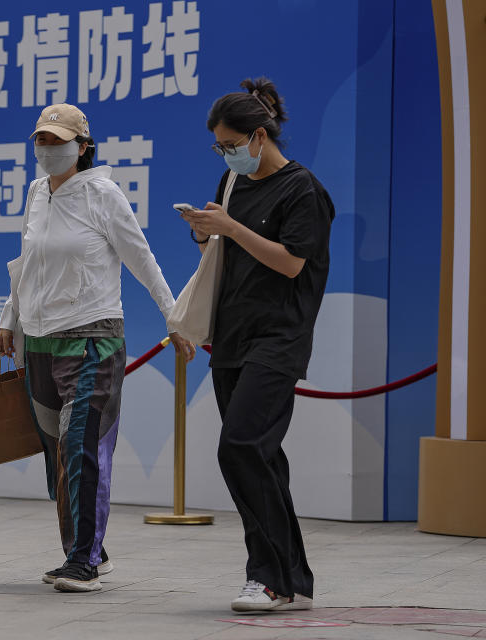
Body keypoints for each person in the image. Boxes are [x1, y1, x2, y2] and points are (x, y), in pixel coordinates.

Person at [0, 103, 195, 593]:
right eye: (40, 140)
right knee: (56, 454)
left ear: (83, 146)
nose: (47, 149)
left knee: (82, 445)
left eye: (58, 140)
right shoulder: (37, 192)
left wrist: (177, 319)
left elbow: (140, 257)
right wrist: (10, 318)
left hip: (92, 338)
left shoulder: (102, 193)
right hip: (39, 341)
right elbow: (29, 260)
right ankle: (88, 551)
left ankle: (82, 561)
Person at [179, 77, 334, 612]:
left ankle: (267, 577)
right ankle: (292, 581)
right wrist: (205, 229)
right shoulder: (231, 182)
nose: (225, 154)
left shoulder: (302, 189)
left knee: (240, 447)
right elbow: (226, 254)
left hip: (280, 337)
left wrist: (232, 228)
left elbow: (292, 262)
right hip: (232, 337)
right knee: (262, 457)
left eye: (230, 144)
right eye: (219, 147)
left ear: (259, 137)